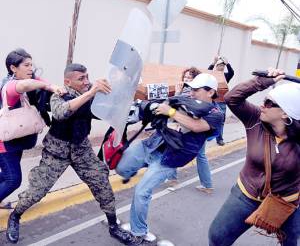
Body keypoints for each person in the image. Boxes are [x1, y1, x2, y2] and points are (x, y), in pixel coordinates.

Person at [6, 63, 134, 244]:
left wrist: (120, 87)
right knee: (36, 191)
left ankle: (113, 226)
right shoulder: (59, 94)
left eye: (87, 77)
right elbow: (60, 112)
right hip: (56, 152)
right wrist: (90, 93)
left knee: (102, 183)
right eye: (81, 79)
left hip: (81, 150)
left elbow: (111, 107)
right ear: (68, 81)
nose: (86, 82)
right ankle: (15, 216)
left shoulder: (92, 93)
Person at [116, 73, 223, 245]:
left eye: (196, 89)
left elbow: (196, 126)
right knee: (120, 168)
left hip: (169, 159)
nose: (192, 92)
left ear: (211, 92)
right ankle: (135, 168)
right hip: (152, 144)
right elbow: (161, 106)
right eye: (191, 88)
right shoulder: (185, 99)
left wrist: (171, 111)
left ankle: (139, 232)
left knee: (141, 191)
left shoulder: (216, 113)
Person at [209, 68, 300, 246]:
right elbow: (231, 98)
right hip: (246, 194)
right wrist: (264, 81)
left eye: (268, 103)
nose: (261, 105)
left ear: (285, 113)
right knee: (217, 237)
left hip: (287, 201)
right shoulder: (255, 120)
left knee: (290, 244)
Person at [0, 48, 63, 210]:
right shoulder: (10, 85)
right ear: (13, 68)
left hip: (16, 138)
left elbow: (36, 81)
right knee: (13, 180)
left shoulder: (29, 79)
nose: (30, 68)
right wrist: (50, 87)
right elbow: (27, 84)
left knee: (6, 175)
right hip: (4, 142)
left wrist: (52, 86)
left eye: (31, 65)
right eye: (26, 65)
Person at [208, 56, 234, 146]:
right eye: (219, 65)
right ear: (216, 66)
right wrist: (213, 62)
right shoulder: (212, 74)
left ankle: (219, 139)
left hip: (222, 101)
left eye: (223, 65)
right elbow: (207, 72)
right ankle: (209, 135)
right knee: (210, 119)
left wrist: (227, 63)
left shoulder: (226, 76)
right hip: (212, 101)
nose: (222, 67)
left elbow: (232, 72)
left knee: (221, 120)